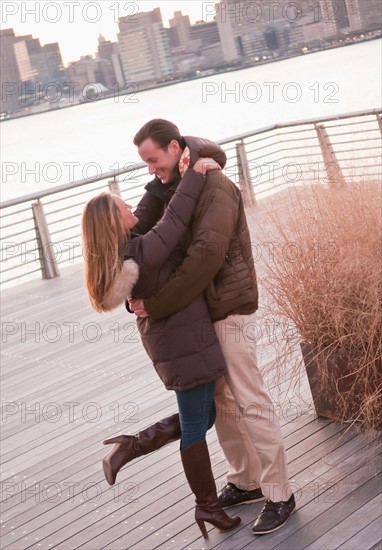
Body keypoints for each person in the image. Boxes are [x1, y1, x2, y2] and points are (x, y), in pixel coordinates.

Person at [126, 119, 296, 535]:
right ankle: (246, 479)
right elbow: (141, 235)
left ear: (172, 147)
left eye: (152, 160)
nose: (149, 169)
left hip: (228, 307)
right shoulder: (174, 183)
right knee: (222, 404)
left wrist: (156, 305)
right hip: (199, 312)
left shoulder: (215, 185)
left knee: (249, 398)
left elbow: (204, 259)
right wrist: (159, 186)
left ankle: (279, 493)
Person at [82, 156, 241, 539]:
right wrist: (195, 176)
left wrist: (160, 180)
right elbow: (174, 223)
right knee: (195, 428)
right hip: (183, 343)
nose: (129, 207)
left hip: (174, 342)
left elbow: (148, 210)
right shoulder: (141, 251)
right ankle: (207, 506)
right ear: (114, 222)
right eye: (122, 207)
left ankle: (130, 447)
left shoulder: (126, 250)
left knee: (201, 419)